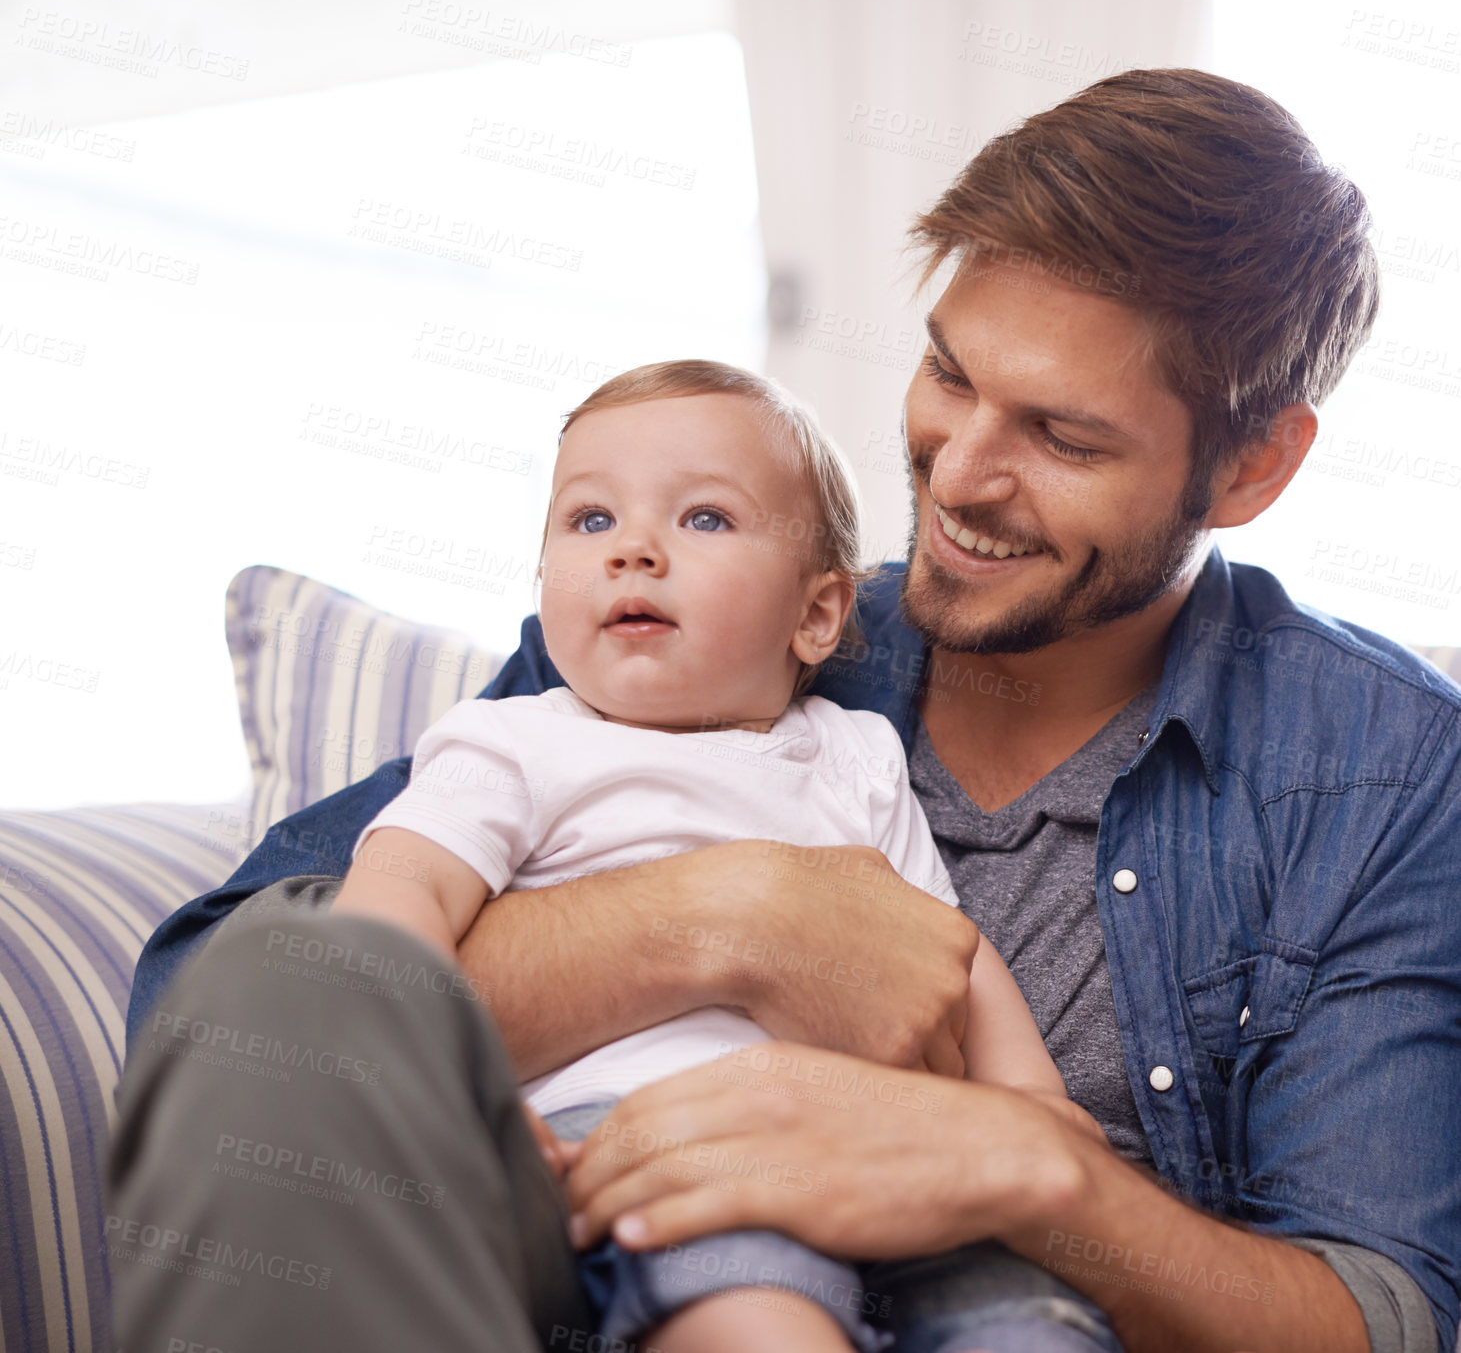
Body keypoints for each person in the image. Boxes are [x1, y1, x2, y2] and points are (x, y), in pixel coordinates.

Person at [116, 68, 1460, 1353]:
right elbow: (223, 1015)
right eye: (948, 375)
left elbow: (1378, 1314)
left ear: (1251, 463)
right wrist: (730, 917)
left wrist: (1032, 1173)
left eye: (1061, 434)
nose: (960, 475)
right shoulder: (712, 627)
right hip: (600, 1260)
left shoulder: (1380, 768)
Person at [326, 356, 1111, 1353]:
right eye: (589, 519)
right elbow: (397, 895)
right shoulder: (513, 742)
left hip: (878, 1148)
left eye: (702, 519)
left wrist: (1031, 1107)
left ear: (818, 612)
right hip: (644, 1138)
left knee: (1030, 1314)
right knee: (749, 1297)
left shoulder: (856, 755)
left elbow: (944, 946)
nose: (634, 551)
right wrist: (435, 1080)